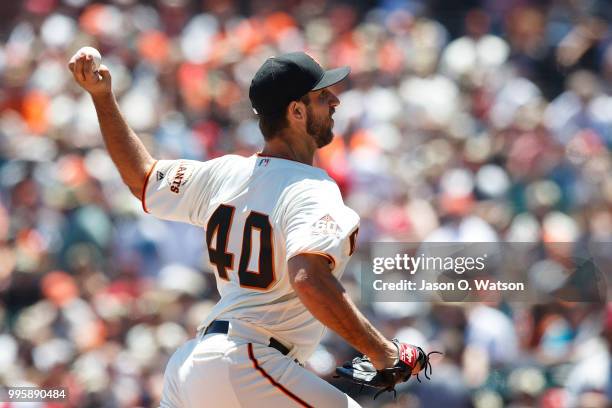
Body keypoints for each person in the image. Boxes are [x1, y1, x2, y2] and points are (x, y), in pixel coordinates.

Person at [68, 51, 419, 407]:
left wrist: (102, 98)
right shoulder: (312, 189)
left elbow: (141, 176)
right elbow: (308, 277)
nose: (335, 101)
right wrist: (382, 352)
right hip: (248, 360)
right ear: (296, 111)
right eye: (322, 95)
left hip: (193, 367)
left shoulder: (224, 173)